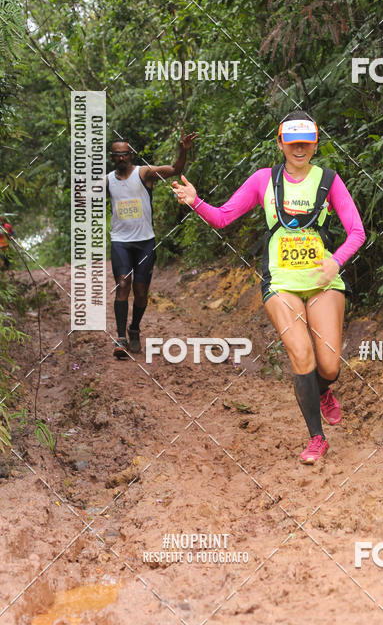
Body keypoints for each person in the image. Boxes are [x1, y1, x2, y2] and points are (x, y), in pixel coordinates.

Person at [171, 112, 365, 464]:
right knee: (301, 354)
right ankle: (316, 438)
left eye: (306, 143)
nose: (299, 149)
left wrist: (336, 262)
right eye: (292, 143)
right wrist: (195, 201)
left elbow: (357, 232)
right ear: (280, 144)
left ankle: (322, 389)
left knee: (329, 366)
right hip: (281, 283)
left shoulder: (329, 180)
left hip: (323, 282)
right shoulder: (264, 180)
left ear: (315, 144)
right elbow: (223, 217)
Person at [107, 129, 197, 358]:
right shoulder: (107, 181)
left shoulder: (144, 174)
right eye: (117, 155)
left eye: (125, 154)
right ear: (112, 157)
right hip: (120, 242)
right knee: (123, 284)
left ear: (131, 155)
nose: (121, 158)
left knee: (140, 291)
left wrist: (183, 150)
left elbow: (175, 169)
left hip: (145, 243)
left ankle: (134, 328)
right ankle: (120, 338)